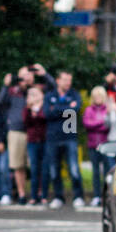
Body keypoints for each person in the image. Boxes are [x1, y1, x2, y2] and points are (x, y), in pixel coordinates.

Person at [42, 70, 84, 208]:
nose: (68, 83)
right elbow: (48, 113)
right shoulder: (50, 96)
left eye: (69, 80)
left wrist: (57, 109)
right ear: (58, 80)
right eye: (65, 80)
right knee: (54, 169)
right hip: (53, 137)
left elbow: (75, 109)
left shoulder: (74, 95)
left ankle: (78, 196)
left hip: (69, 136)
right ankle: (58, 196)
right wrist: (66, 108)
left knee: (73, 169)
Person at [0, 71, 31, 205]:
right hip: (16, 131)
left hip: (32, 131)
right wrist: (5, 86)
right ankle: (21, 193)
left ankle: (38, 194)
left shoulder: (34, 90)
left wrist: (43, 74)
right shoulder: (12, 91)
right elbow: (1, 101)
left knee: (33, 165)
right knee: (18, 166)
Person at [83, 85, 115, 206]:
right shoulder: (89, 110)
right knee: (95, 172)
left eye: (100, 96)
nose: (97, 98)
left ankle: (106, 195)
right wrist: (101, 122)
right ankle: (97, 195)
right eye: (95, 96)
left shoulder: (107, 109)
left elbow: (108, 126)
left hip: (105, 144)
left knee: (107, 171)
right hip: (93, 144)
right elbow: (87, 124)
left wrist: (96, 124)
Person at [23, 85, 48, 206]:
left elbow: (46, 117)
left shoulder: (45, 106)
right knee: (34, 169)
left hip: (44, 140)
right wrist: (29, 109)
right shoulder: (27, 108)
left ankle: (43, 195)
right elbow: (26, 122)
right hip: (32, 141)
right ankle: (33, 195)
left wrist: (37, 113)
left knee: (44, 169)